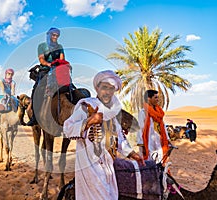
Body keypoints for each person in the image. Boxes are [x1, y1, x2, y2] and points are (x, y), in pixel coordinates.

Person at [63, 70, 145, 200]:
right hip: (90, 166)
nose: (107, 92)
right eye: (104, 87)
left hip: (108, 166)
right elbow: (67, 129)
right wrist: (89, 121)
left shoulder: (112, 111)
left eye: (111, 88)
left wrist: (132, 154)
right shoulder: (86, 106)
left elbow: (119, 138)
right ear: (97, 88)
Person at [26, 27, 65, 126]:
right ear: (48, 35)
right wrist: (49, 64)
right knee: (36, 90)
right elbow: (41, 60)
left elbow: (62, 58)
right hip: (45, 70)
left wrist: (61, 64)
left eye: (57, 35)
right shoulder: (42, 46)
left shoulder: (60, 46)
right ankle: (35, 116)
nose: (55, 37)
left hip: (58, 70)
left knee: (70, 87)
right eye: (53, 35)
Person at [137, 89, 171, 165]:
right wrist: (141, 144)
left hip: (160, 140)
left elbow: (163, 126)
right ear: (149, 98)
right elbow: (140, 128)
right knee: (150, 161)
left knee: (161, 160)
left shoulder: (159, 112)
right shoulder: (143, 112)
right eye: (155, 97)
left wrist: (167, 139)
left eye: (157, 97)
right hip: (149, 141)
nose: (158, 100)